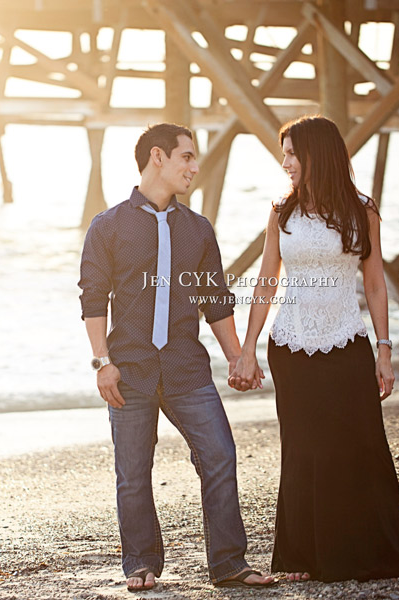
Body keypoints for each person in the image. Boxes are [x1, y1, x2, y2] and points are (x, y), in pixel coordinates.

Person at [230, 115, 399, 583]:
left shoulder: (362, 210)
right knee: (304, 450)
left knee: (362, 447)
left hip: (347, 342)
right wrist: (248, 349)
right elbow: (267, 281)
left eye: (291, 153)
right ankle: (303, 558)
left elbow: (375, 284)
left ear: (316, 154)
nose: (285, 163)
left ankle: (390, 556)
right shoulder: (281, 212)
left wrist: (384, 350)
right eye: (283, 154)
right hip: (291, 345)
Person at [78, 123, 274, 592]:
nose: (194, 166)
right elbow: (92, 298)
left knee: (220, 455)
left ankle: (229, 564)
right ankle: (141, 564)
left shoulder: (198, 229)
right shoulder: (108, 226)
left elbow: (216, 300)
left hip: (188, 368)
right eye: (186, 157)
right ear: (158, 157)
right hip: (130, 370)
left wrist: (238, 358)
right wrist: (102, 361)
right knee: (132, 471)